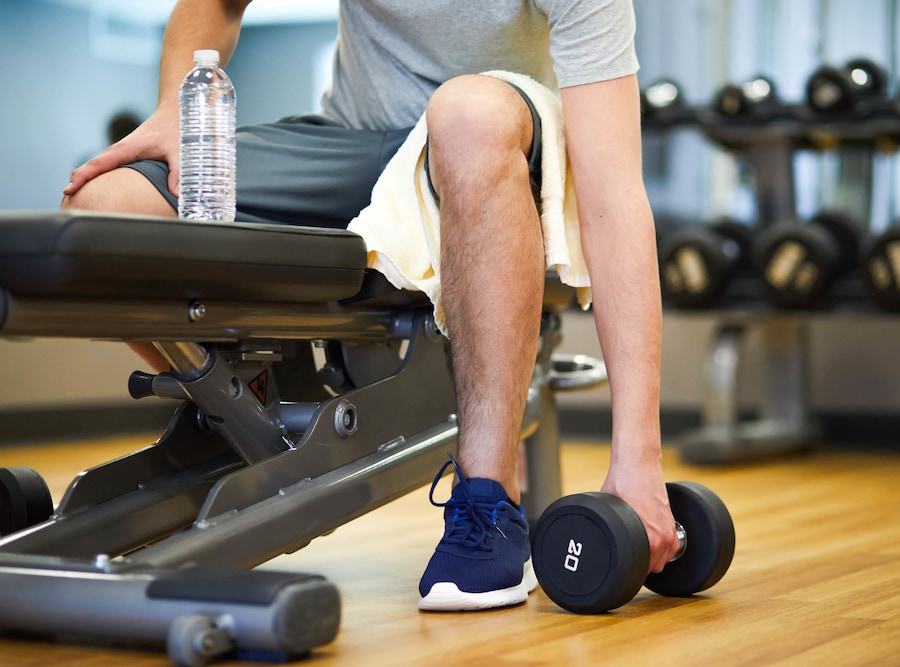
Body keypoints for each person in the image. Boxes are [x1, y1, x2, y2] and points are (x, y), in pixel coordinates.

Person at [61, 0, 679, 612]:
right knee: (105, 205)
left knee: (466, 111)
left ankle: (487, 505)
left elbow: (614, 198)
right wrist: (174, 105)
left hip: (501, 137)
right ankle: (239, 406)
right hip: (354, 144)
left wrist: (638, 458)